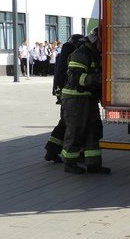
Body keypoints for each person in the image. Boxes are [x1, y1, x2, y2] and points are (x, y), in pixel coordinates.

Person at [60, 28, 109, 174]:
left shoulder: (95, 55)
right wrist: (100, 78)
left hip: (88, 99)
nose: (104, 48)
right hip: (75, 98)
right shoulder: (80, 54)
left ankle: (93, 164)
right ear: (95, 41)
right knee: (75, 131)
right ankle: (69, 163)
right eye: (102, 44)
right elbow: (77, 78)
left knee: (93, 130)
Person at [44, 34, 84, 163]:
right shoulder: (70, 53)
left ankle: (51, 150)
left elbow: (58, 74)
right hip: (69, 95)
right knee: (67, 123)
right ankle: (53, 150)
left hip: (64, 93)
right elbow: (61, 74)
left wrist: (57, 92)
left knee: (64, 122)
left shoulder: (65, 53)